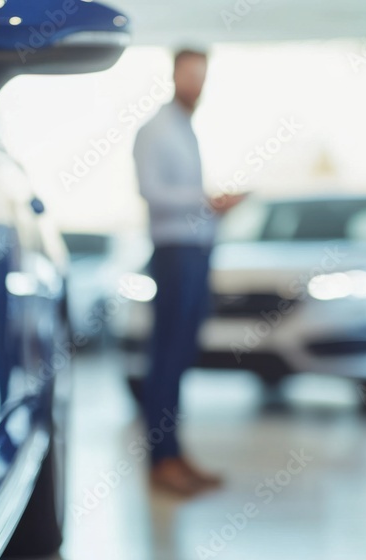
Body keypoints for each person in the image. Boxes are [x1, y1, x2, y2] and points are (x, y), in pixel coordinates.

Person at [133, 48, 245, 496]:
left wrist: (215, 210)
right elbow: (151, 192)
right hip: (174, 253)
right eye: (190, 75)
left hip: (197, 250)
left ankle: (176, 453)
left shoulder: (185, 128)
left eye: (202, 76)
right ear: (175, 75)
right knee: (166, 359)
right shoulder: (155, 130)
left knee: (180, 358)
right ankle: (161, 460)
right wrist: (204, 200)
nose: (196, 85)